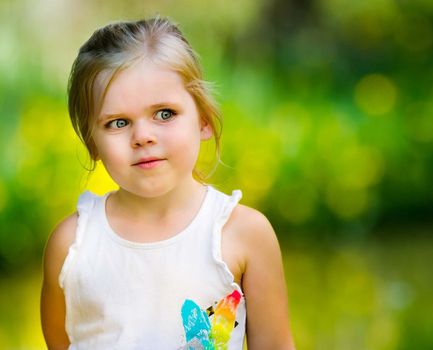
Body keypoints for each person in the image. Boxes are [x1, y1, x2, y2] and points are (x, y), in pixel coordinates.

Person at [40, 17, 294, 350]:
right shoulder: (73, 245)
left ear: (203, 119)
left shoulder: (243, 234)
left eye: (164, 114)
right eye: (118, 122)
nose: (143, 136)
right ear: (92, 143)